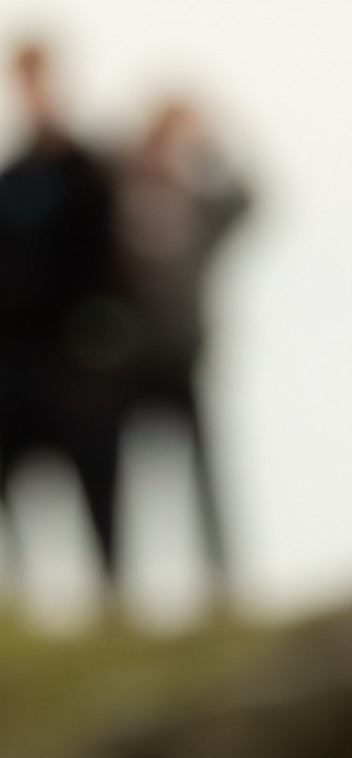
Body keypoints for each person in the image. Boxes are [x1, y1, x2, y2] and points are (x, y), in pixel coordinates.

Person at [0, 41, 128, 598]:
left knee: (96, 477)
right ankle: (13, 590)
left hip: (74, 362)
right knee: (7, 480)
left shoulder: (90, 172)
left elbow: (112, 269)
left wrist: (98, 351)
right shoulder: (3, 176)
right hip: (9, 358)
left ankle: (110, 591)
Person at [114, 98, 250, 590]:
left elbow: (250, 199)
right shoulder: (118, 192)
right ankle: (118, 584)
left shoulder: (200, 201)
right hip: (126, 358)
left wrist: (211, 150)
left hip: (185, 353)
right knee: (117, 473)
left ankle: (220, 576)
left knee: (205, 472)